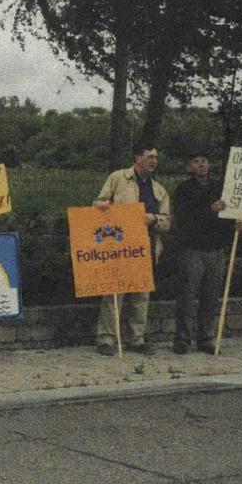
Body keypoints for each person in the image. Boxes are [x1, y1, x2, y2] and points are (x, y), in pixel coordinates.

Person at [92, 140, 170, 356]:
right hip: (119, 246)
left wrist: (153, 219)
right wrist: (103, 207)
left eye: (155, 157)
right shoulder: (118, 178)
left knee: (141, 296)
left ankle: (136, 338)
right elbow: (98, 203)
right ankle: (106, 339)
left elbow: (167, 221)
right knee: (114, 294)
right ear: (137, 158)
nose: (154, 161)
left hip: (146, 246)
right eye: (149, 156)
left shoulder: (159, 190)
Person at [171, 150, 242, 354]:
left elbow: (230, 212)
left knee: (211, 296)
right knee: (187, 295)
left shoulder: (220, 187)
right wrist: (209, 210)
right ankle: (182, 339)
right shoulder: (184, 189)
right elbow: (184, 217)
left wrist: (236, 222)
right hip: (193, 248)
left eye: (204, 160)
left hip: (215, 248)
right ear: (189, 167)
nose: (202, 164)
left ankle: (205, 338)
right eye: (196, 161)